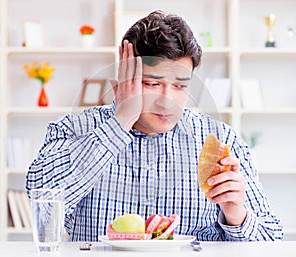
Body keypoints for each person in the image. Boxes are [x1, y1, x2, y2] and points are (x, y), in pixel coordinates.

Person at [26, 10, 283, 242]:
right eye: (151, 84)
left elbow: (270, 240)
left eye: (180, 86)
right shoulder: (75, 128)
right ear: (122, 82)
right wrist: (120, 121)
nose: (167, 101)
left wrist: (236, 214)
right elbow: (42, 198)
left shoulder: (221, 140)